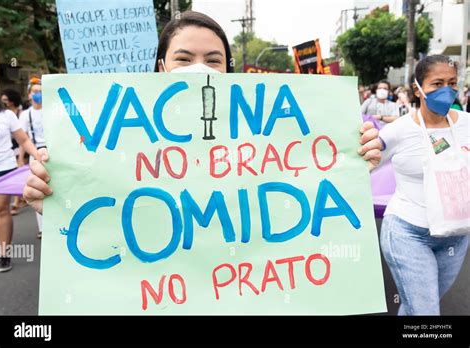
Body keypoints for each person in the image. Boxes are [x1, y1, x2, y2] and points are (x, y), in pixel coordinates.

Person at [23, 11, 382, 227]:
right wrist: (54, 201)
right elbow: (99, 217)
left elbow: (301, 194)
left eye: (212, 59)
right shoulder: (115, 140)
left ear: (229, 69)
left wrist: (350, 160)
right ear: (162, 67)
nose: (199, 68)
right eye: (183, 58)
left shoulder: (267, 136)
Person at [378, 55, 469, 315]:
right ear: (418, 88)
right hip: (408, 233)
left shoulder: (468, 125)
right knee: (426, 312)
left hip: (456, 236)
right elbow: (363, 162)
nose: (446, 90)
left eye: (452, 83)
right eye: (437, 83)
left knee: (415, 307)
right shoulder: (397, 130)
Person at [0, 96, 40, 272]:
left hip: (4, 168)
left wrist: (37, 155)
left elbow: (23, 140)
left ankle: (4, 253)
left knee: (0, 208)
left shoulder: (6, 115)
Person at [19, 77, 45, 239]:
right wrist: (21, 158)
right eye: (35, 92)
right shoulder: (25, 115)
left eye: (41, 92)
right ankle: (42, 228)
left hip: (50, 153)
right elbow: (23, 139)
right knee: (37, 191)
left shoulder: (51, 109)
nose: (38, 95)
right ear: (29, 94)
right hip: (35, 154)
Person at [0, 88, 27, 215]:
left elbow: (23, 138)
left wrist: (21, 157)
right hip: (13, 144)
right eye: (3, 100)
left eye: (6, 99)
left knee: (0, 208)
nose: (4, 101)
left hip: (15, 147)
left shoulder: (16, 113)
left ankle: (18, 200)